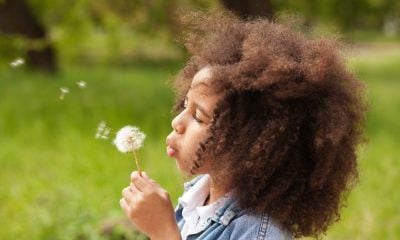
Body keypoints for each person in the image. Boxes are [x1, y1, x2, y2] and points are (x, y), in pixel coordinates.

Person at [120, 12, 366, 240]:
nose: (177, 122)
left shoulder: (260, 233)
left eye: (198, 117)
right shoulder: (196, 201)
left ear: (249, 145)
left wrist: (164, 232)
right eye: (185, 105)